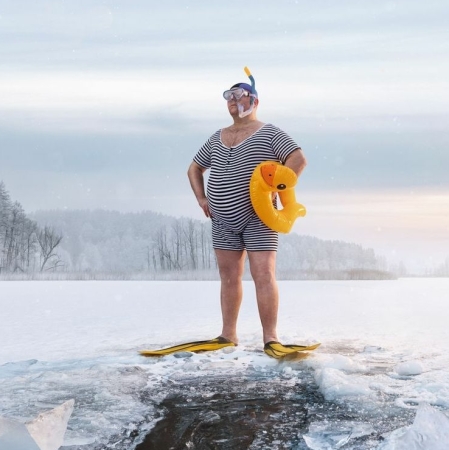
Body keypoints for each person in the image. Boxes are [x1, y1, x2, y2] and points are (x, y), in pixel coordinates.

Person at [187, 79, 307, 354]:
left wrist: (278, 188)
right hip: (222, 220)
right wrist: (202, 198)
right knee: (229, 276)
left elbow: (298, 160)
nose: (233, 101)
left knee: (263, 274)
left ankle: (271, 338)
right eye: (228, 97)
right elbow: (194, 168)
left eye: (239, 96)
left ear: (254, 101)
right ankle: (227, 335)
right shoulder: (217, 136)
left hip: (259, 219)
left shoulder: (270, 133)